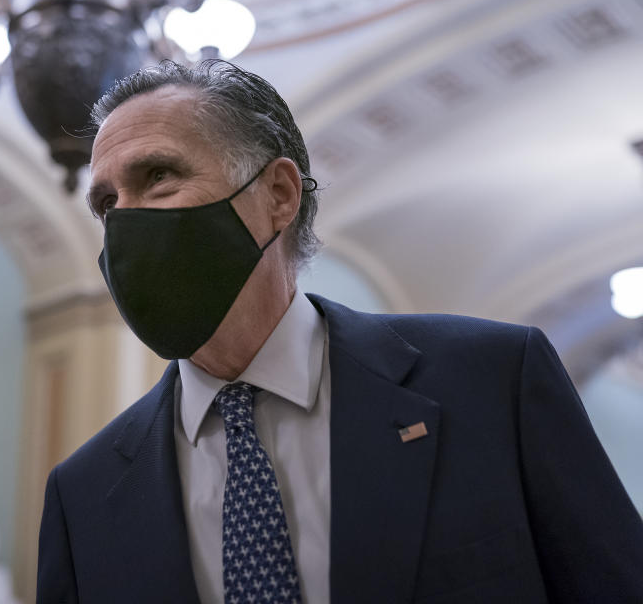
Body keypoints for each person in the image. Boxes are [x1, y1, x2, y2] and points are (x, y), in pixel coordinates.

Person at [36, 59, 643, 603]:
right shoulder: (82, 495)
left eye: (159, 178)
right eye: (107, 204)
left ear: (277, 195)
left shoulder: (491, 380)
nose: (125, 223)